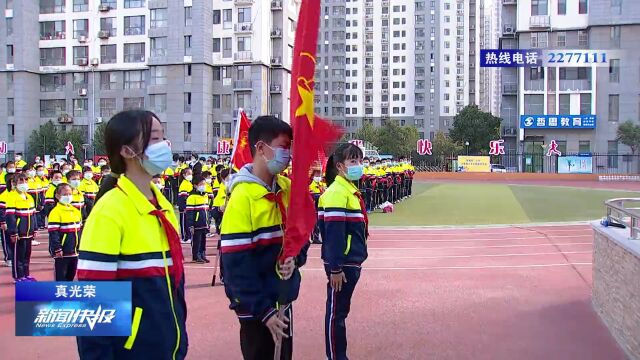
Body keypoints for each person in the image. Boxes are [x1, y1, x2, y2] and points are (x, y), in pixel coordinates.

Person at [76, 110, 188, 359]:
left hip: (168, 347)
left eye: (163, 138)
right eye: (155, 139)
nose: (165, 146)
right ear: (127, 151)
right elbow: (92, 302)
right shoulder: (109, 211)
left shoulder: (163, 205)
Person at [220, 115, 307, 360]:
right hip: (256, 310)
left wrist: (295, 257)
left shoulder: (287, 189)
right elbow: (236, 267)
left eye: (290, 148)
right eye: (283, 147)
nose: (288, 155)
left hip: (282, 301)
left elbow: (302, 234)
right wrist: (264, 311)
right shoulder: (242, 198)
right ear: (260, 148)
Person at [318, 143, 369, 360]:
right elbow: (334, 235)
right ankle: (336, 357)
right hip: (343, 265)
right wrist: (336, 268)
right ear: (340, 166)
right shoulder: (337, 193)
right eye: (352, 161)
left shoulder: (349, 190)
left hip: (351, 262)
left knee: (340, 313)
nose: (358, 166)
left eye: (360, 161)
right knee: (336, 315)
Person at [5, 173, 38, 282]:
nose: (24, 183)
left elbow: (33, 214)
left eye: (25, 181)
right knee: (18, 256)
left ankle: (26, 274)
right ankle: (18, 276)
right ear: (14, 183)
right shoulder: (11, 196)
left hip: (28, 232)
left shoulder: (29, 197)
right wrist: (13, 232)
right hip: (19, 233)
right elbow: (11, 217)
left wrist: (35, 228)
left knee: (26, 255)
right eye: (21, 181)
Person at [47, 183, 82, 281]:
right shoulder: (55, 212)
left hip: (74, 250)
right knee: (61, 276)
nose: (68, 196)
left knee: (71, 275)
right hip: (63, 251)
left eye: (70, 194)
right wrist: (57, 248)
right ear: (57, 196)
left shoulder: (75, 211)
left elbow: (79, 231)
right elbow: (53, 233)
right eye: (65, 194)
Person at [186, 175, 210, 264]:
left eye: (204, 184)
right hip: (197, 224)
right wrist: (191, 225)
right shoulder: (192, 197)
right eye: (201, 184)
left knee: (203, 240)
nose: (204, 186)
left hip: (204, 223)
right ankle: (196, 256)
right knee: (197, 241)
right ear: (195, 185)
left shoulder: (205, 196)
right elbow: (190, 213)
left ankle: (203, 254)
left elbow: (206, 210)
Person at [0, 174, 14, 268]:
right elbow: (1, 210)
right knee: (7, 240)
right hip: (6, 221)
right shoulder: (4, 195)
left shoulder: (20, 195)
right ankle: (8, 258)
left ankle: (15, 257)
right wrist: (3, 222)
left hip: (16, 221)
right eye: (13, 182)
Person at [309, 166, 326, 244]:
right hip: (313, 203)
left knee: (319, 221)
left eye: (319, 173)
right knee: (314, 222)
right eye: (317, 173)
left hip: (320, 203)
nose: (318, 175)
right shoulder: (310, 182)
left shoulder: (321, 183)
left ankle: (317, 236)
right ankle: (314, 237)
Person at [178, 167, 193, 243]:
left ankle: (189, 236)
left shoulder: (189, 183)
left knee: (188, 222)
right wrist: (183, 207)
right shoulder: (184, 184)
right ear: (184, 175)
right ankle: (185, 238)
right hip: (184, 207)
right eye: (189, 174)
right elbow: (182, 197)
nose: (191, 175)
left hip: (189, 206)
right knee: (184, 222)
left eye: (191, 174)